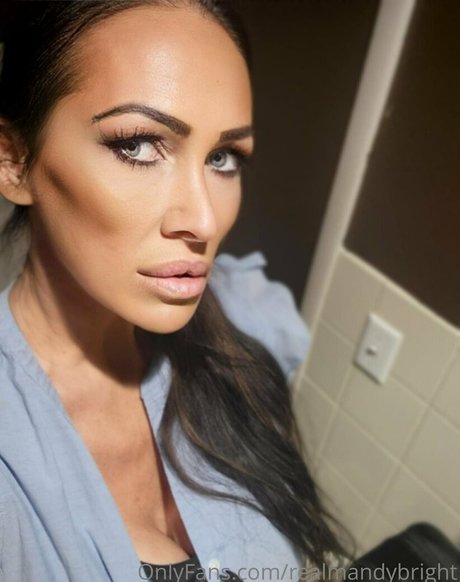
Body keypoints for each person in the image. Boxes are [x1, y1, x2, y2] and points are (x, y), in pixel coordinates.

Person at [0, 2, 348, 581]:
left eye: (223, 158)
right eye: (138, 145)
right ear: (13, 161)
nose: (206, 222)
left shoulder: (247, 328)